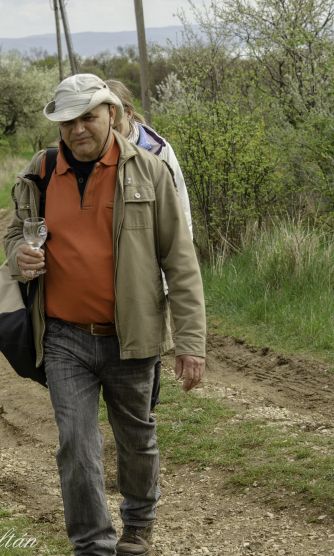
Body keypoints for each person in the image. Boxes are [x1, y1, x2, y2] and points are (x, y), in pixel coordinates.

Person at [4, 74, 206, 556]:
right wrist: (18, 257)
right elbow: (14, 233)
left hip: (131, 335)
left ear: (111, 114)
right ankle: (92, 543)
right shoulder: (40, 170)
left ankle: (138, 525)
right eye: (68, 121)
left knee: (136, 435)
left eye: (88, 117)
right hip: (63, 336)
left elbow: (180, 262)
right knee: (76, 442)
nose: (78, 130)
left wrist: (191, 343)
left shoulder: (151, 171)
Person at [106, 79, 194, 412]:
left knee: (147, 337)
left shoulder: (157, 150)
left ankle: (144, 409)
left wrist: (173, 274)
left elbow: (180, 215)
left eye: (111, 113)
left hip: (150, 264)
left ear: (126, 113)